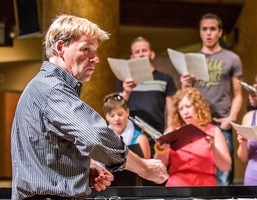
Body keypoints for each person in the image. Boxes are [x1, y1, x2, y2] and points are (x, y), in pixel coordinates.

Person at [11, 14, 168, 200]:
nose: (95, 59)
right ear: (61, 47)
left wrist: (83, 168)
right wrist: (144, 168)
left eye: (95, 51)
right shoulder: (52, 88)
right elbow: (96, 137)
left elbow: (47, 153)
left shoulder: (43, 85)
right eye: (86, 49)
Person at [180, 13, 243, 186]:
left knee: (224, 175)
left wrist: (231, 119)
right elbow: (186, 96)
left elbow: (238, 94)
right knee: (197, 171)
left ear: (220, 32)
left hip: (221, 122)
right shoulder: (191, 59)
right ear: (200, 32)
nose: (208, 33)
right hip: (197, 123)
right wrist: (184, 84)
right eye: (204, 29)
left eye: (212, 29)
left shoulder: (232, 58)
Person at [154, 87, 231, 186]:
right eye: (181, 109)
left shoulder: (213, 131)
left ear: (198, 106)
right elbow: (159, 167)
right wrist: (161, 150)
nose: (185, 112)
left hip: (205, 186)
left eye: (188, 106)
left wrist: (213, 147)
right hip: (177, 186)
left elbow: (226, 167)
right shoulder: (172, 131)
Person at [116, 36, 177, 156]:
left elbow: (171, 112)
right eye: (137, 52)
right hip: (131, 135)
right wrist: (126, 92)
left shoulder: (165, 78)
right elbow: (116, 109)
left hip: (157, 134)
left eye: (144, 50)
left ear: (152, 54)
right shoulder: (124, 79)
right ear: (132, 57)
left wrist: (167, 133)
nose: (141, 54)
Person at [102, 92, 150, 159]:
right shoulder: (101, 139)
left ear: (127, 112)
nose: (117, 119)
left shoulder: (140, 139)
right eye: (112, 116)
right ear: (106, 116)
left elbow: (147, 167)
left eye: (120, 114)